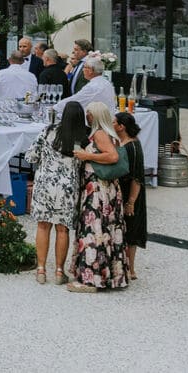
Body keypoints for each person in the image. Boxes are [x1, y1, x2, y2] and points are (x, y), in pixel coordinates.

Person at [68, 102, 129, 292]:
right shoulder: (110, 134)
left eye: (90, 114)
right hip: (107, 188)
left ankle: (91, 279)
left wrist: (87, 156)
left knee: (93, 228)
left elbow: (112, 157)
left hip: (97, 188)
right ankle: (108, 275)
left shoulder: (100, 134)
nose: (87, 116)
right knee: (106, 228)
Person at [26, 101, 86, 285]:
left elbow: (31, 156)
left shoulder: (48, 131)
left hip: (45, 184)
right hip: (67, 187)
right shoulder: (82, 138)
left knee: (43, 226)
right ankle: (59, 271)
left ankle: (41, 270)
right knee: (63, 229)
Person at [115, 111, 147, 280]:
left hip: (131, 193)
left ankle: (130, 268)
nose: (112, 125)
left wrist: (131, 202)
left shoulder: (132, 147)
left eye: (114, 122)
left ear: (122, 127)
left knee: (131, 230)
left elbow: (137, 177)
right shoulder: (122, 142)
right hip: (123, 190)